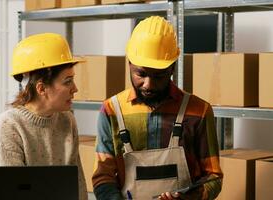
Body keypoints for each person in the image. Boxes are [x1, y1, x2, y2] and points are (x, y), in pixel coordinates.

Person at [92, 16, 223, 200]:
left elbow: (213, 177)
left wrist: (187, 199)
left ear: (172, 68)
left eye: (159, 76)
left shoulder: (199, 111)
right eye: (141, 74)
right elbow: (102, 177)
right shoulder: (111, 110)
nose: (148, 85)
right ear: (129, 63)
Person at [0, 33, 88, 200]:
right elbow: (10, 194)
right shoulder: (8, 127)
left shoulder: (67, 121)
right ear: (41, 89)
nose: (75, 89)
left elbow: (78, 188)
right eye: (67, 81)